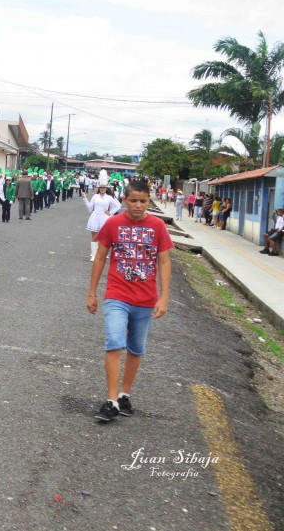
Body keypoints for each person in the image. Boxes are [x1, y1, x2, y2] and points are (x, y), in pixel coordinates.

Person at [86, 179, 172, 422]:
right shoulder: (114, 224)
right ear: (123, 200)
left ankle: (125, 395)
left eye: (143, 201)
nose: (138, 205)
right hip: (117, 294)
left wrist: (164, 297)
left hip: (145, 298)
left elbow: (164, 262)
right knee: (114, 341)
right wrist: (92, 293)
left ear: (148, 201)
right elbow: (101, 257)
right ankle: (111, 401)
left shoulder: (157, 226)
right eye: (133, 200)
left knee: (136, 348)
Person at [84, 176, 121, 262]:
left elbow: (118, 205)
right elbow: (90, 208)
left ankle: (102, 254)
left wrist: (110, 213)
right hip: (95, 216)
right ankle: (93, 255)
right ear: (99, 188)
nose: (102, 189)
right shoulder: (95, 196)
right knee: (94, 237)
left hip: (104, 218)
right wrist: (85, 199)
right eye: (101, 187)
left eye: (104, 187)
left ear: (106, 188)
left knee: (104, 237)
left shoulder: (109, 197)